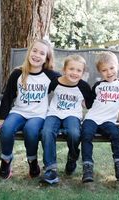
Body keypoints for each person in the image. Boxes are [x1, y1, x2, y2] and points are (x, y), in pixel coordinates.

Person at [0, 39, 61, 179]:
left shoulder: (50, 75)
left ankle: (32, 161)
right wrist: (2, 119)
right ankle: (6, 160)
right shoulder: (18, 73)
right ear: (29, 52)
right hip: (19, 111)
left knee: (30, 130)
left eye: (42, 53)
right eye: (34, 51)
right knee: (6, 129)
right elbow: (7, 97)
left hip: (38, 114)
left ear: (46, 58)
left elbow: (68, 85)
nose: (37, 55)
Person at [81, 51, 119, 183]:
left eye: (111, 68)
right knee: (86, 134)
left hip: (108, 121)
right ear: (100, 72)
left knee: (115, 134)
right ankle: (87, 168)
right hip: (92, 118)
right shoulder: (98, 86)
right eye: (104, 70)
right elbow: (88, 103)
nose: (109, 72)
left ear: (117, 66)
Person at [41, 54, 93, 184]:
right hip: (54, 113)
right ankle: (51, 169)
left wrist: (85, 103)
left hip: (72, 114)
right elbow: (43, 91)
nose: (74, 73)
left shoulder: (84, 87)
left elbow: (90, 103)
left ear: (82, 72)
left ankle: (72, 157)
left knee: (74, 133)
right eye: (71, 69)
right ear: (64, 69)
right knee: (46, 132)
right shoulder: (55, 82)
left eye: (78, 70)